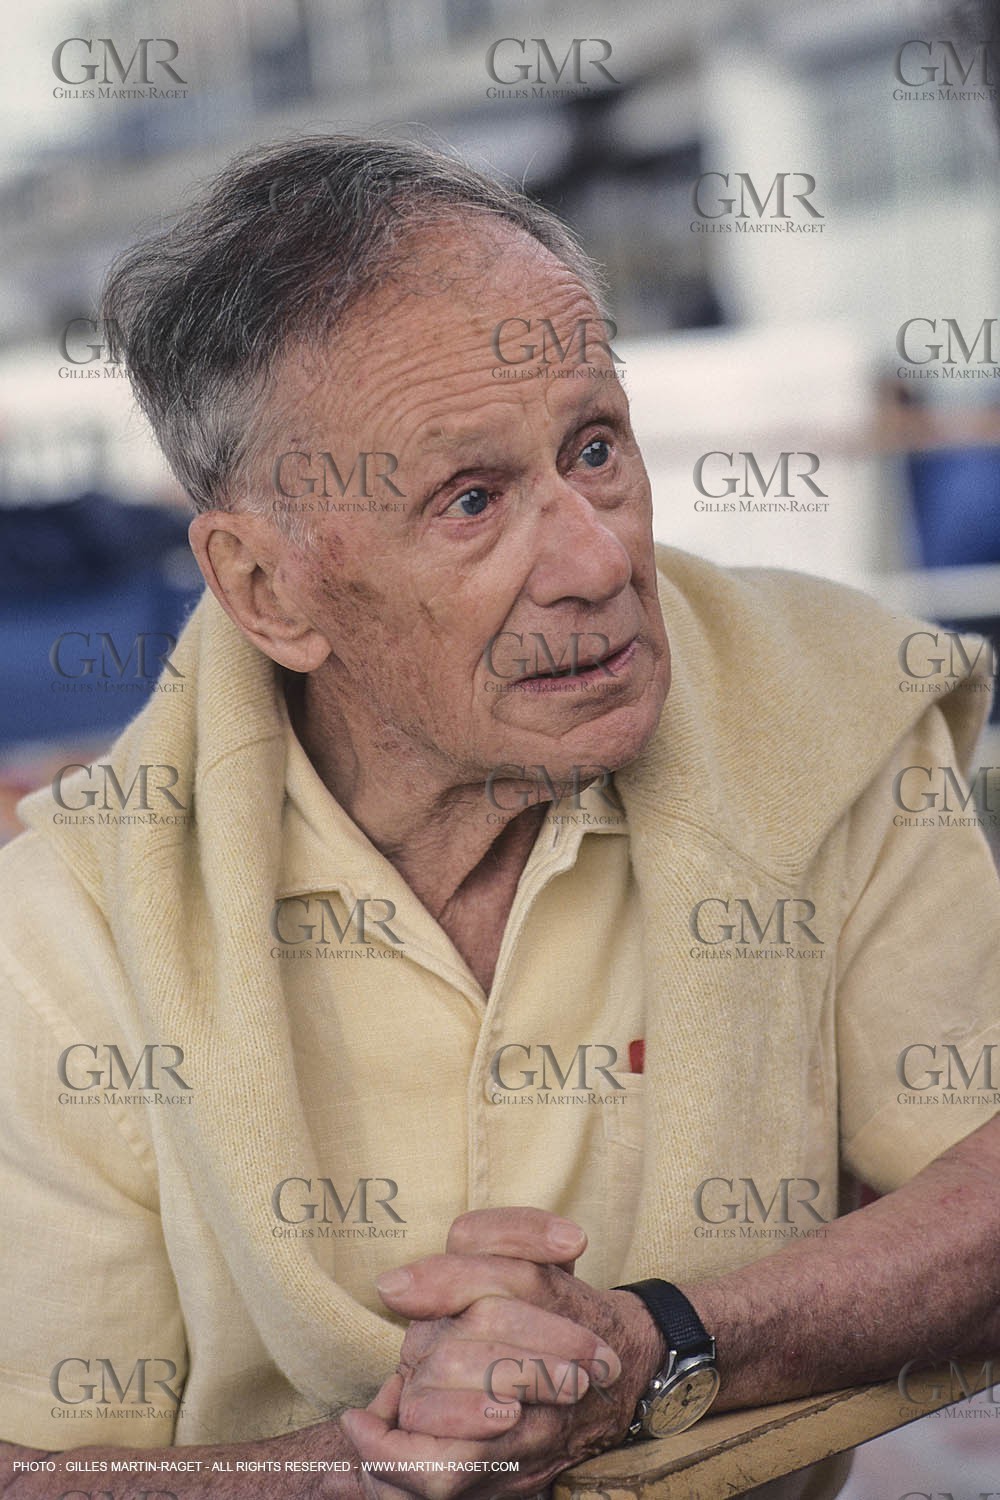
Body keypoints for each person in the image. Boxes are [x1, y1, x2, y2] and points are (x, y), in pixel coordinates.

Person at [0, 136, 998, 1500]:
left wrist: (655, 1347)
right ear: (266, 590)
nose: (600, 559)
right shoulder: (60, 925)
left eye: (596, 447)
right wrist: (367, 1470)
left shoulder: (834, 701)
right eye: (472, 501)